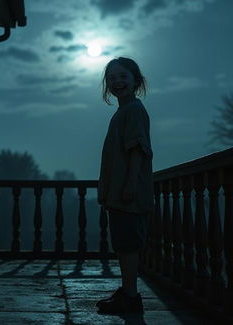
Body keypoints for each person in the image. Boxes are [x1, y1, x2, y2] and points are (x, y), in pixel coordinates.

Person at [96, 57, 154, 314]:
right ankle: (127, 292)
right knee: (122, 244)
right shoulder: (122, 112)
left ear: (136, 81)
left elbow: (137, 152)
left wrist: (130, 185)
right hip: (118, 193)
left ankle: (131, 298)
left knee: (128, 245)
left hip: (128, 193)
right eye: (112, 78)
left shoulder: (134, 111)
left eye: (123, 76)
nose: (117, 82)